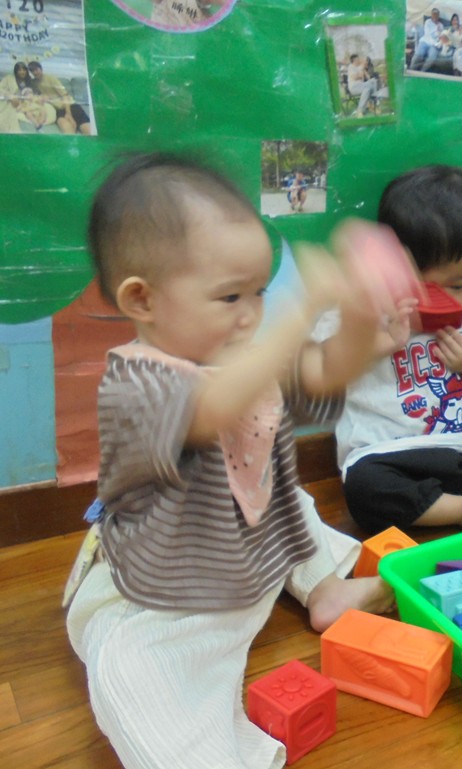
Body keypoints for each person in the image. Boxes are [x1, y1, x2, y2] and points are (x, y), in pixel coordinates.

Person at [65, 153, 419, 769]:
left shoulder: (247, 348)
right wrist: (301, 308)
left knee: (291, 499)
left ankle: (325, 590)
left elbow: (323, 369)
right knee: (130, 679)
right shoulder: (135, 383)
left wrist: (362, 325)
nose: (253, 313)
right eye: (230, 295)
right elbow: (213, 408)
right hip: (169, 590)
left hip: (247, 552)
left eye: (259, 291)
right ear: (142, 300)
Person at [314, 165, 462, 532]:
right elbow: (319, 369)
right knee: (363, 486)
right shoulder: (361, 311)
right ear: (402, 270)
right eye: (459, 284)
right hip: (392, 456)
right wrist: (373, 343)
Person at [27, 61, 92, 135]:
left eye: (36, 69)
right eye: (32, 71)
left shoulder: (51, 78)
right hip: (59, 111)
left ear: (41, 69)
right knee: (68, 132)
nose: (35, 72)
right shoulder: (34, 83)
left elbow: (65, 96)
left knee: (89, 132)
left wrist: (68, 114)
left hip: (71, 107)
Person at [0, 63, 34, 133]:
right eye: (19, 70)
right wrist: (10, 95)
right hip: (10, 100)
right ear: (16, 71)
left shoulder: (29, 80)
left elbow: (32, 93)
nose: (22, 72)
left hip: (25, 102)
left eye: (24, 70)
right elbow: (1, 88)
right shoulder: (9, 78)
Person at [409, 7, 445, 72]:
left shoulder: (441, 25)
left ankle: (422, 72)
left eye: (436, 14)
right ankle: (411, 70)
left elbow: (441, 37)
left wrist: (439, 33)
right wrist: (436, 41)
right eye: (433, 14)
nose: (435, 16)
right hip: (425, 42)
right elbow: (428, 35)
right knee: (419, 54)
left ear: (438, 16)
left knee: (432, 57)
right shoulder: (428, 22)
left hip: (434, 45)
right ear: (431, 15)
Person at [347, 53, 379, 117]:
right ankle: (372, 104)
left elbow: (368, 77)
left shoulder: (360, 67)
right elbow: (355, 77)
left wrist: (364, 70)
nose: (359, 60)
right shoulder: (351, 67)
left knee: (372, 82)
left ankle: (361, 110)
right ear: (354, 60)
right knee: (368, 87)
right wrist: (361, 72)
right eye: (358, 59)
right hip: (354, 87)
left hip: (361, 86)